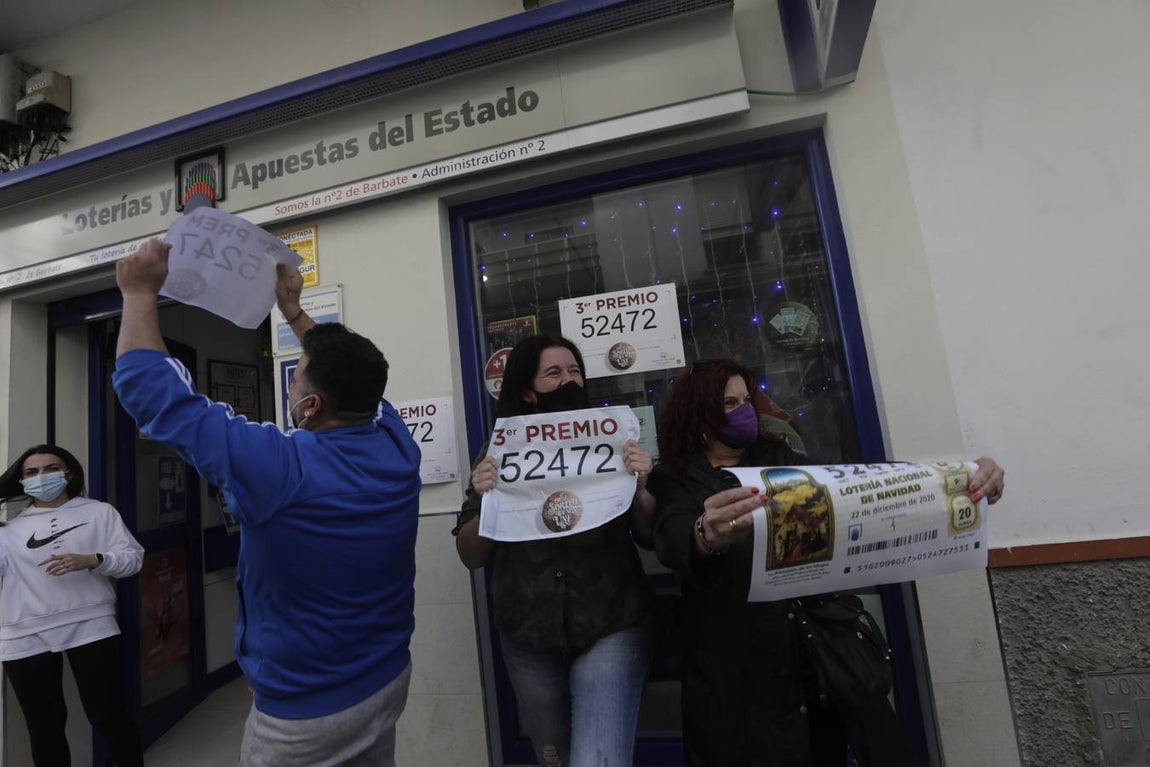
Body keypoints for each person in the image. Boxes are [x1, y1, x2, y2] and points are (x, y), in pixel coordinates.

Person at [111, 239, 422, 767]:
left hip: (304, 716)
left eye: (298, 370)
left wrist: (138, 292)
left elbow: (152, 392)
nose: (295, 374)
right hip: (386, 678)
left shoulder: (283, 468)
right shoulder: (397, 445)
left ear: (309, 404)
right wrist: (294, 312)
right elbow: (354, 372)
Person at [646, 358, 1006, 767]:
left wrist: (966, 479)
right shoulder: (676, 477)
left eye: (747, 399)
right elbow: (672, 534)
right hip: (737, 669)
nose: (744, 410)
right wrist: (704, 534)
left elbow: (860, 491)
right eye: (730, 403)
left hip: (814, 655)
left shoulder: (780, 456)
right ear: (700, 415)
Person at [453, 334, 656, 767]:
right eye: (554, 373)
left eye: (575, 371)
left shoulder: (616, 442)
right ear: (528, 391)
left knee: (597, 760)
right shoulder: (497, 453)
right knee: (555, 759)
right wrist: (488, 498)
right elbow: (471, 555)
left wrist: (640, 486)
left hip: (610, 621)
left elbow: (648, 532)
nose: (569, 380)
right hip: (529, 634)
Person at [0, 444, 145, 767]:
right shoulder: (9, 530)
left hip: (91, 625)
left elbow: (133, 560)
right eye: (31, 472)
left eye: (51, 469)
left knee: (109, 716)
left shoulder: (99, 512)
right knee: (44, 728)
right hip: (24, 636)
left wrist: (93, 560)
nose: (42, 477)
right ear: (21, 481)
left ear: (68, 472)